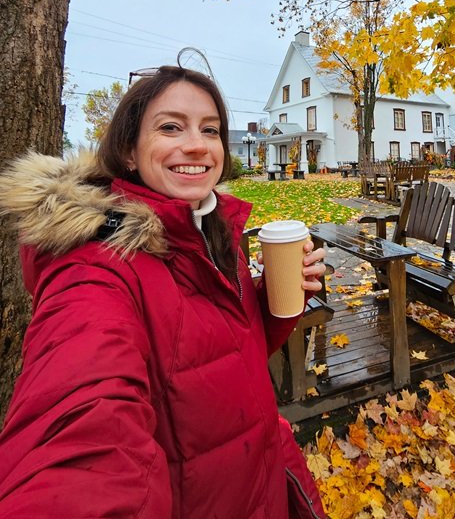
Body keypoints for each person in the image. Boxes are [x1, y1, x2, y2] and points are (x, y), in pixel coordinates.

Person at [0, 64, 328, 518]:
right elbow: (81, 432)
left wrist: (273, 303)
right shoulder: (95, 268)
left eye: (209, 129)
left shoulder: (207, 233)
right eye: (170, 127)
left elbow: (213, 357)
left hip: (261, 484)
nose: (196, 144)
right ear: (129, 152)